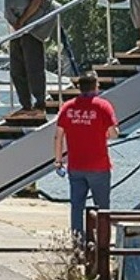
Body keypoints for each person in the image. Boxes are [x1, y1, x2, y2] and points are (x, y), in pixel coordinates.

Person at [53, 70, 119, 237]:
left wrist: (58, 161)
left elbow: (58, 136)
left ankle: (78, 241)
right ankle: (102, 242)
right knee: (102, 206)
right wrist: (101, 133)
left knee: (77, 206)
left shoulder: (67, 108)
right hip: (99, 166)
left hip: (75, 166)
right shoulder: (103, 106)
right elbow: (113, 133)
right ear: (95, 86)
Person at [6, 0, 49, 114]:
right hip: (16, 31)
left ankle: (39, 102)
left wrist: (23, 20)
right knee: (17, 69)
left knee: (34, 67)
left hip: (31, 29)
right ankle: (25, 104)